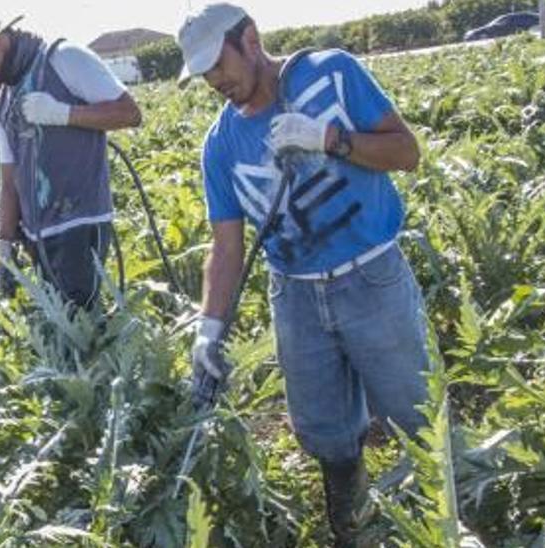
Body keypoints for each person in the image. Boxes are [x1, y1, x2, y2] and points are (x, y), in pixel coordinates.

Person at [178, 4, 428, 546]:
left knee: (418, 417)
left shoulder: (330, 74)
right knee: (324, 432)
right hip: (293, 296)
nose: (213, 80)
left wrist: (331, 139)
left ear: (249, 39)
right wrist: (209, 329)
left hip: (371, 278)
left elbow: (407, 152)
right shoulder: (220, 146)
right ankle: (351, 519)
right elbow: (225, 247)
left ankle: (445, 518)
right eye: (201, 73)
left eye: (217, 64)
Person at [0, 1, 142, 310]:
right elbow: (9, 181)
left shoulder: (64, 59)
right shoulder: (2, 103)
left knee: (79, 325)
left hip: (79, 221)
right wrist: (4, 247)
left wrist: (62, 113)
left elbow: (129, 113)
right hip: (36, 236)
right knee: (58, 328)